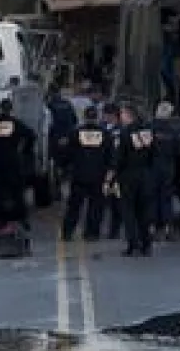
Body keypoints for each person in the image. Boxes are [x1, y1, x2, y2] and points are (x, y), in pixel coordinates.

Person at [105, 102, 156, 256]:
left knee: (128, 212)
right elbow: (154, 153)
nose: (121, 117)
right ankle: (146, 244)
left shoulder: (125, 133)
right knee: (143, 211)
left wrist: (109, 179)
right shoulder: (147, 132)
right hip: (145, 175)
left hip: (128, 176)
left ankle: (133, 244)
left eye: (122, 114)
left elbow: (118, 159)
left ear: (128, 115)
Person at [60, 105, 112, 241]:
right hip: (98, 175)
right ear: (96, 117)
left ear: (84, 117)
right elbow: (110, 156)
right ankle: (92, 233)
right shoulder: (105, 134)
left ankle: (67, 232)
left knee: (74, 206)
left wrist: (66, 168)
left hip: (79, 175)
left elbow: (66, 154)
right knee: (96, 206)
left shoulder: (75, 133)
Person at [0, 98, 36, 228]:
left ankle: (0, 220)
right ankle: (22, 219)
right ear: (11, 109)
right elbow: (32, 135)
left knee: (0, 193)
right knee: (17, 193)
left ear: (0, 109)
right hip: (13, 161)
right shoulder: (15, 124)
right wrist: (25, 150)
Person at [151, 100, 179, 241]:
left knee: (153, 198)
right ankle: (168, 227)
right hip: (168, 168)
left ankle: (155, 228)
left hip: (152, 167)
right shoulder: (172, 131)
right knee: (166, 198)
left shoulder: (150, 129)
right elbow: (177, 150)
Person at [100, 102, 125, 239]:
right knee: (102, 201)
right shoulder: (101, 128)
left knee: (116, 201)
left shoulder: (122, 130)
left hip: (117, 171)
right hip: (103, 170)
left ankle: (114, 230)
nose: (104, 117)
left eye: (106, 114)